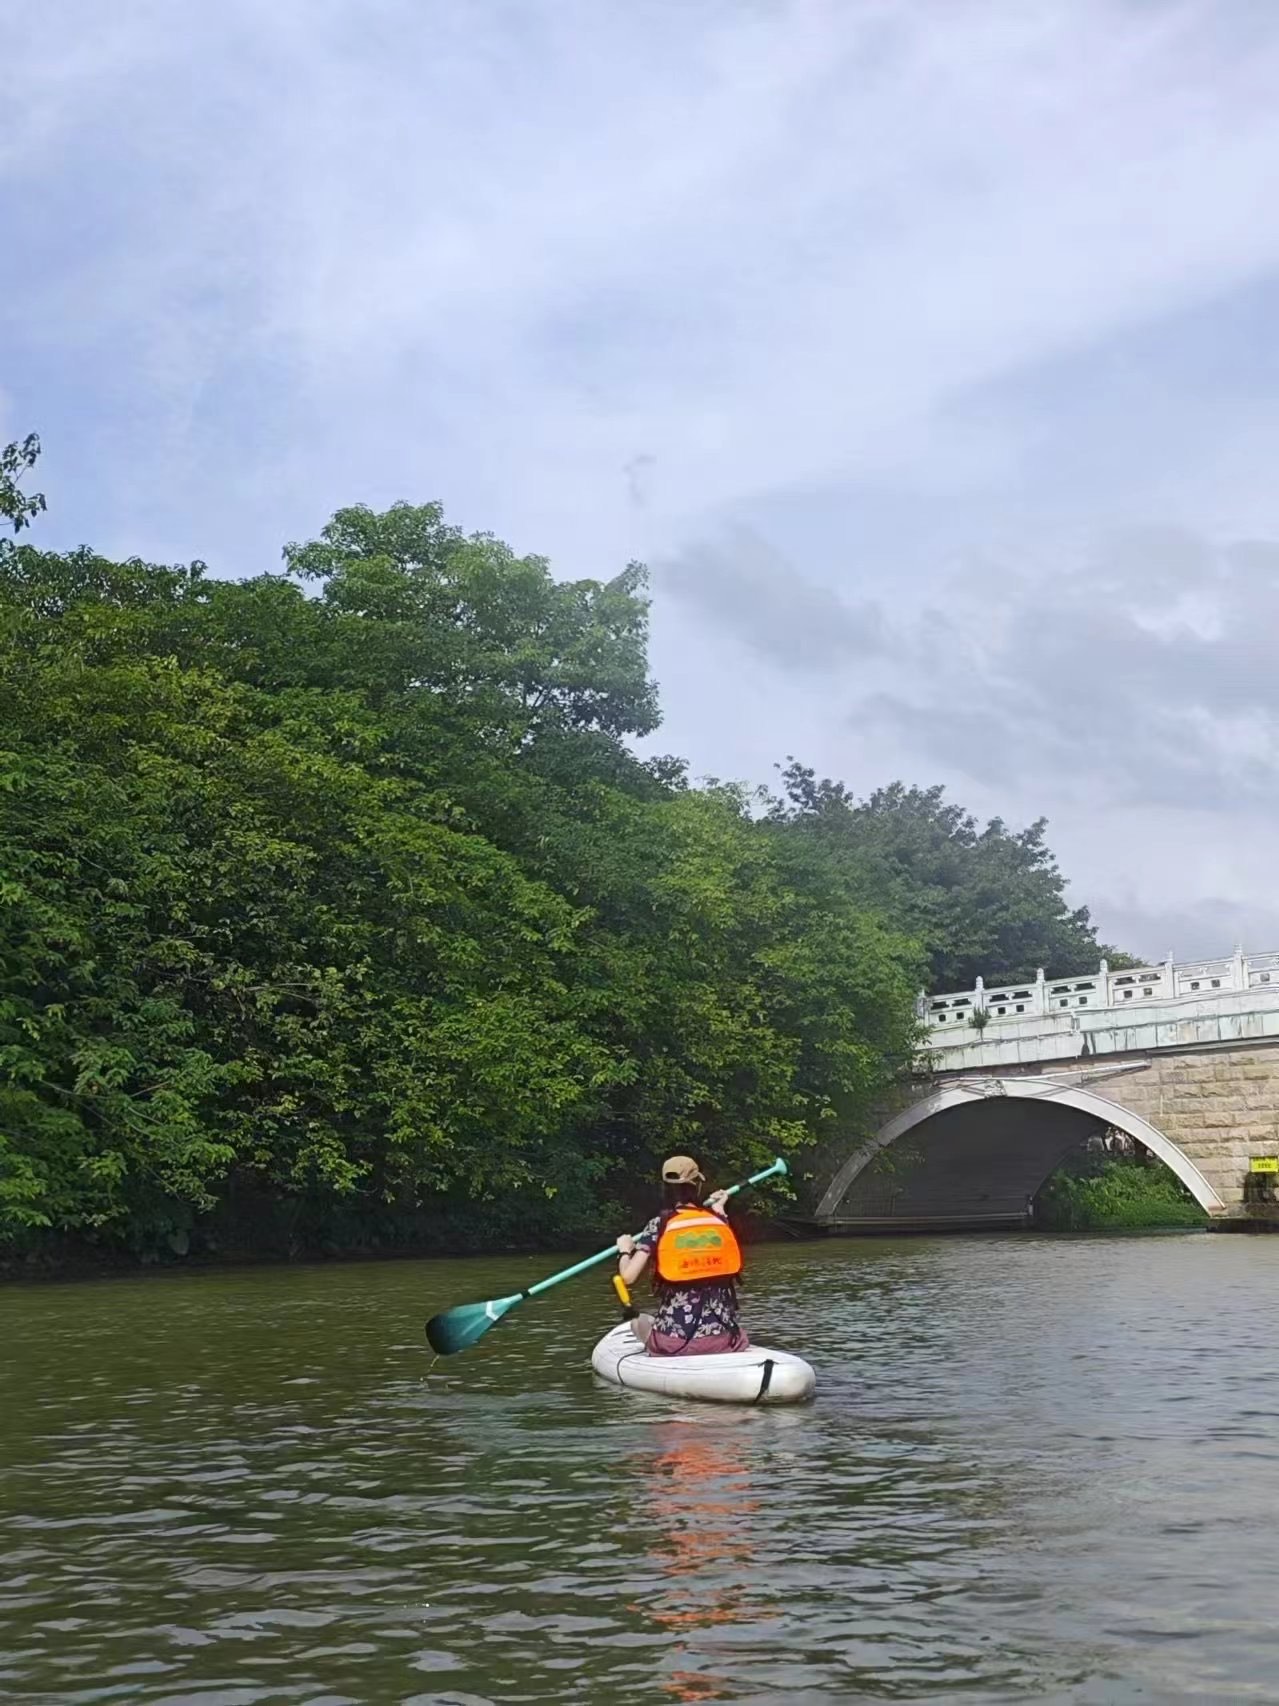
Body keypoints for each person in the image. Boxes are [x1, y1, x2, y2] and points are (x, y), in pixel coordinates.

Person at [615, 1155, 749, 1356]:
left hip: (674, 1342)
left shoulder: (659, 1225)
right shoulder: (718, 1221)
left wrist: (625, 1250)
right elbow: (719, 1219)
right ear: (697, 1186)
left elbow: (628, 1277)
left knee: (637, 1321)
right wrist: (720, 1207)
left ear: (665, 1188)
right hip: (723, 1339)